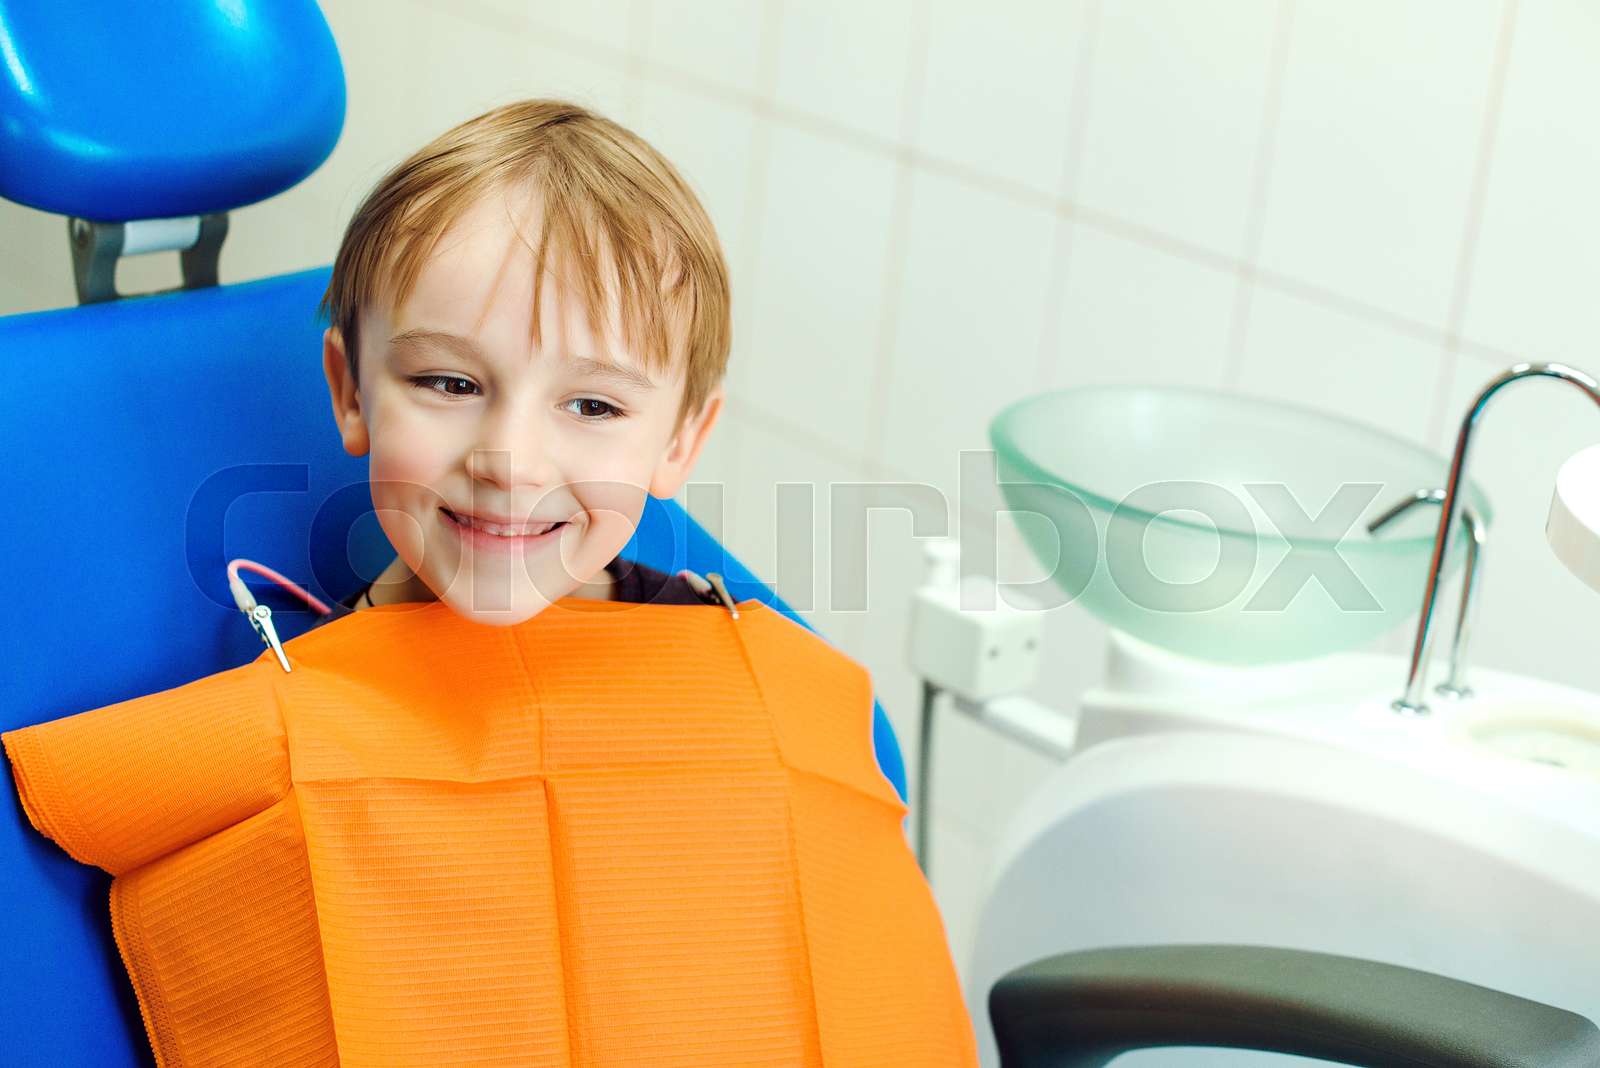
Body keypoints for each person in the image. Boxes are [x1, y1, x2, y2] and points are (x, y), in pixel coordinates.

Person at [313, 98, 729, 627]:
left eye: (592, 406)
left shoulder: (725, 658)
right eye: (452, 384)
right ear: (351, 392)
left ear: (680, 442)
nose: (510, 465)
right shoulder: (297, 681)